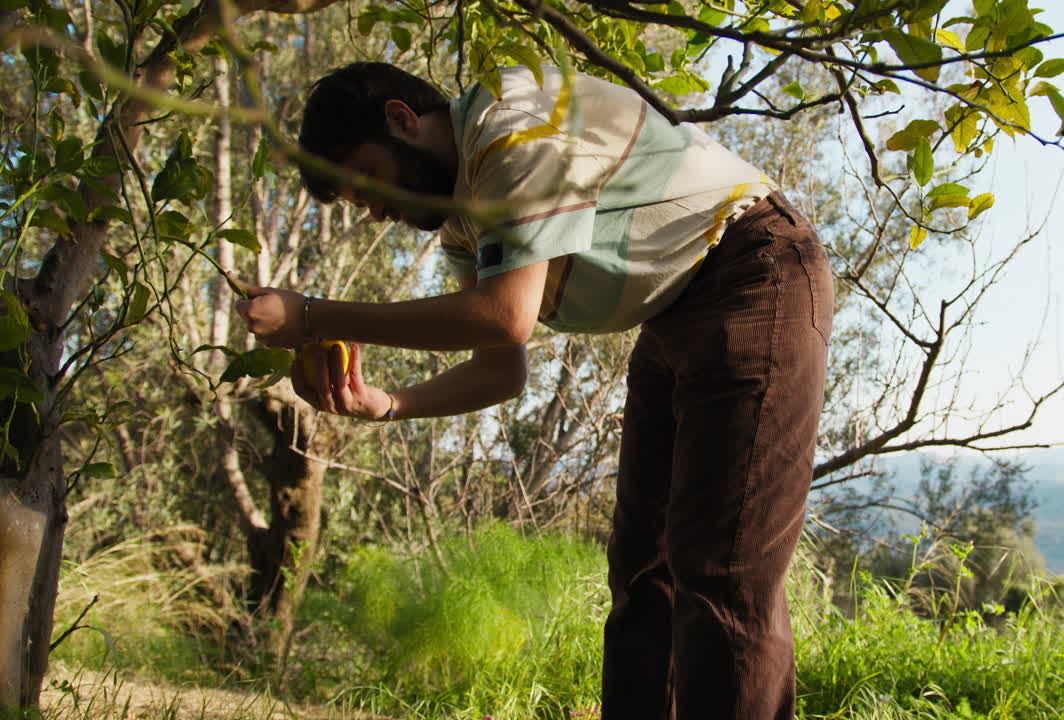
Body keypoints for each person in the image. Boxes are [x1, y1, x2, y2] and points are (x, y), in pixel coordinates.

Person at [235, 61, 833, 719]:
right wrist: (389, 403)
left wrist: (317, 315)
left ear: (402, 120)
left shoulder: (507, 123)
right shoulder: (466, 218)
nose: (376, 209)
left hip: (754, 272)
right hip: (672, 316)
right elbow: (501, 365)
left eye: (369, 180)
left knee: (721, 574)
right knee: (642, 574)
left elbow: (503, 316)